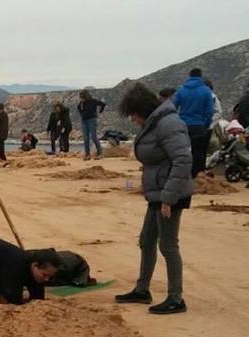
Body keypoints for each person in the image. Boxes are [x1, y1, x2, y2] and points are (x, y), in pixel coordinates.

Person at [115, 83, 193, 315]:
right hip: (158, 193)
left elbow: (182, 160)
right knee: (146, 241)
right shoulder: (155, 123)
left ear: (142, 110)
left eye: (133, 115)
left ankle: (175, 298)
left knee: (168, 245)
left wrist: (169, 198)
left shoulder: (168, 124)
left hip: (171, 194)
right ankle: (142, 290)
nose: (132, 120)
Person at [173, 68, 214, 178]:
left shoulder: (181, 90)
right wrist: (206, 124)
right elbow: (210, 111)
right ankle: (196, 177)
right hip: (199, 126)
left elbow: (173, 107)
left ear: (189, 76)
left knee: (182, 151)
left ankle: (182, 175)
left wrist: (177, 121)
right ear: (201, 76)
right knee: (198, 152)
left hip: (183, 125)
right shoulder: (206, 91)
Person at [77, 89, 107, 160]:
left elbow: (103, 104)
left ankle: (100, 153)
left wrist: (100, 111)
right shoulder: (81, 103)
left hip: (92, 120)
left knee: (93, 137)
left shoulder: (93, 101)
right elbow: (78, 108)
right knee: (85, 138)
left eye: (82, 98)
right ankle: (87, 154)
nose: (82, 99)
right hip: (84, 121)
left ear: (86, 96)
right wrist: (82, 114)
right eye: (81, 98)